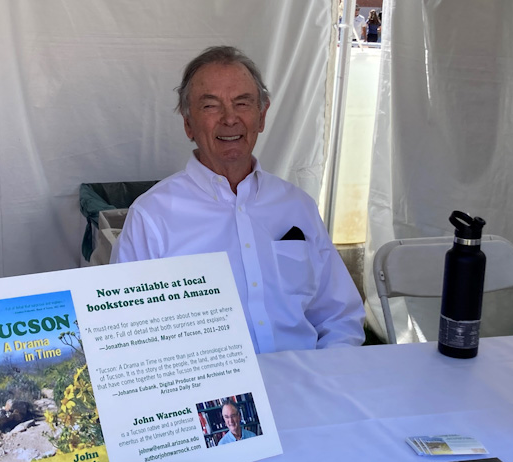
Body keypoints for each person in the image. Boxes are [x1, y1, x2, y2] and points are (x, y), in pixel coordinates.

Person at [111, 46, 366, 353]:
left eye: (242, 103)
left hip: (304, 384)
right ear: (188, 124)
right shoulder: (152, 216)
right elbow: (126, 329)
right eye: (210, 106)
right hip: (208, 393)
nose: (229, 119)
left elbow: (339, 317)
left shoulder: (297, 206)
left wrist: (325, 378)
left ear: (262, 115)